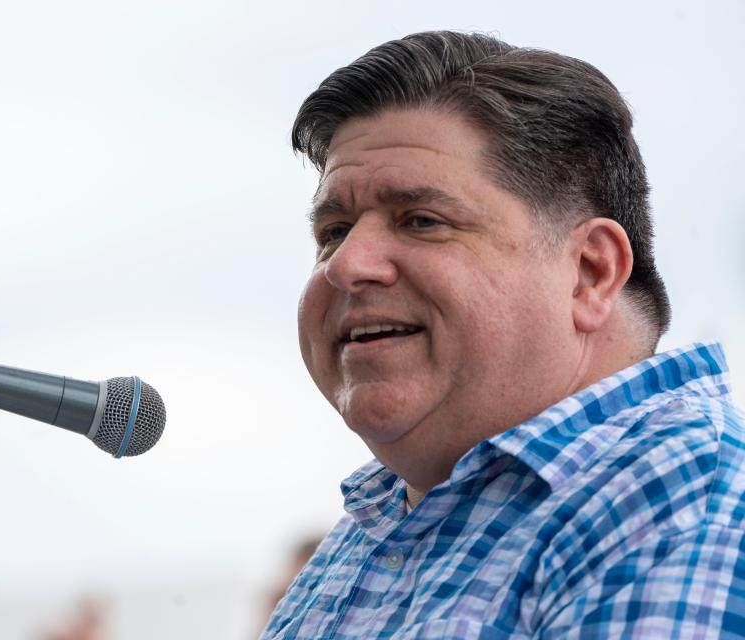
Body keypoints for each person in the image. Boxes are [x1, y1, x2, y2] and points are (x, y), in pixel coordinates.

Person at [261, 31, 745, 638]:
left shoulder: (685, 501)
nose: (346, 264)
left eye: (421, 220)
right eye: (333, 230)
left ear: (590, 273)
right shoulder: (376, 526)